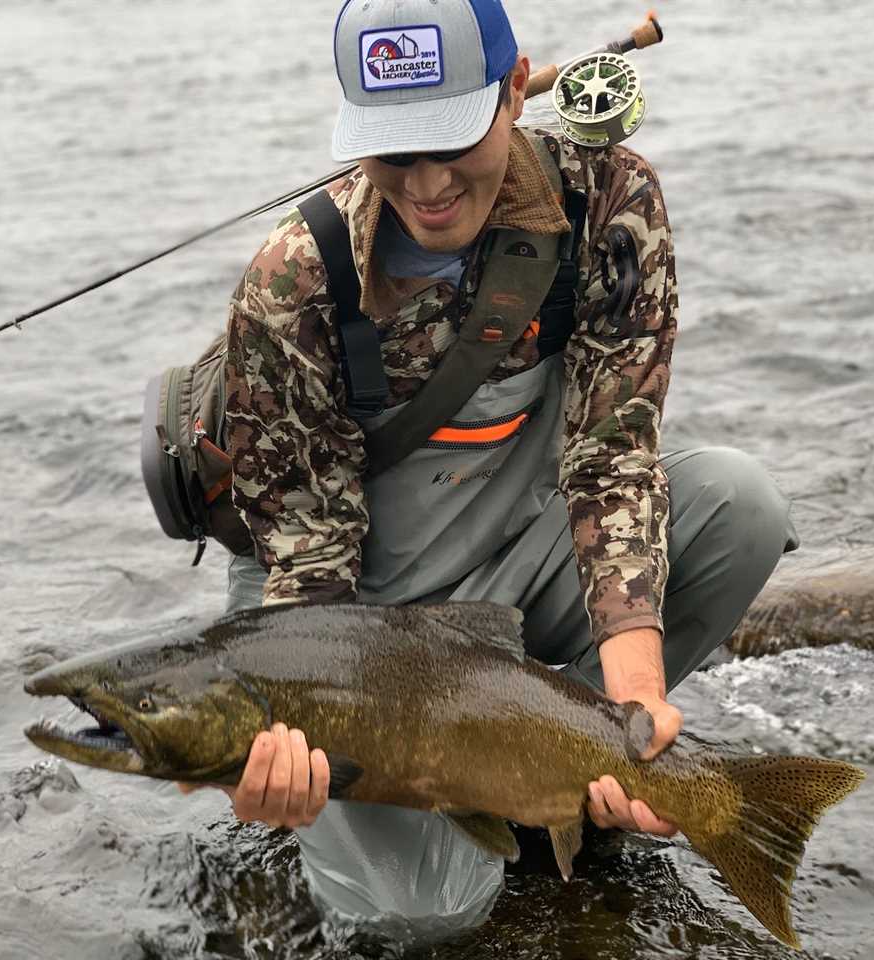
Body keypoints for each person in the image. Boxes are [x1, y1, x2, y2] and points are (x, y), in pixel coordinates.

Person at [181, 0, 798, 938]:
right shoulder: (295, 281)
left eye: (452, 141)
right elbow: (311, 572)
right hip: (352, 622)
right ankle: (493, 779)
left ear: (515, 92)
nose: (427, 185)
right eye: (396, 152)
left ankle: (574, 771)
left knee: (741, 505)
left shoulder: (606, 203)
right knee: (418, 916)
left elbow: (613, 458)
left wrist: (631, 708)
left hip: (516, 558)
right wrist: (286, 750)